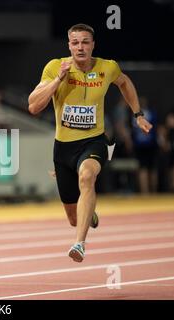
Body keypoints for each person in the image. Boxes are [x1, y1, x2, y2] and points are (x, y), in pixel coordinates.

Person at [28, 23, 152, 262]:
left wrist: (138, 114)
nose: (80, 47)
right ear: (69, 46)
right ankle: (89, 216)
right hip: (63, 148)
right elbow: (33, 106)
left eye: (85, 42)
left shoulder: (108, 67)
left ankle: (79, 243)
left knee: (86, 176)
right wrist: (58, 81)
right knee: (74, 218)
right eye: (75, 43)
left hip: (95, 142)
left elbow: (125, 83)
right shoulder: (55, 67)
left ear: (93, 45)